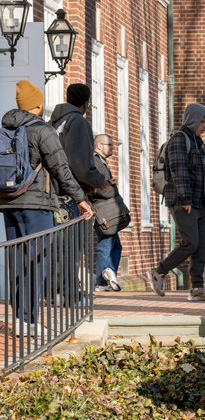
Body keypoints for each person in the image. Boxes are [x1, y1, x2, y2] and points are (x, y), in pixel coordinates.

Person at [0, 80, 93, 331]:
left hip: (9, 203)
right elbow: (61, 169)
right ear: (39, 105)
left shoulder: (6, 127)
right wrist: (81, 200)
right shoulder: (42, 130)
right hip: (37, 204)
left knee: (16, 262)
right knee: (36, 262)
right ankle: (29, 321)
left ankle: (19, 319)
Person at [147, 103, 205, 301]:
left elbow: (201, 174)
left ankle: (197, 288)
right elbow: (178, 170)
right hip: (183, 201)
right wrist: (185, 198)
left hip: (201, 202)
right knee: (190, 243)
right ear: (192, 119)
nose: (204, 126)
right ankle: (159, 271)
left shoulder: (199, 142)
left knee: (202, 245)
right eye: (202, 122)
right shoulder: (178, 139)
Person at [50, 83, 107, 192]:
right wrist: (98, 180)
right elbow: (80, 162)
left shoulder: (54, 121)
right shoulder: (78, 122)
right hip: (69, 188)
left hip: (53, 185)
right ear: (85, 104)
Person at [91, 134, 123, 292]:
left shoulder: (101, 161)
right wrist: (112, 191)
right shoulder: (95, 161)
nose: (112, 147)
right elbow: (97, 187)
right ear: (99, 146)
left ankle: (102, 281)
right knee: (106, 242)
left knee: (116, 245)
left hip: (107, 208)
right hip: (102, 209)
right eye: (109, 144)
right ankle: (106, 275)